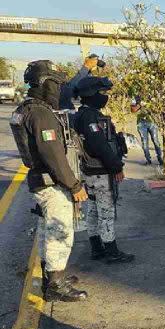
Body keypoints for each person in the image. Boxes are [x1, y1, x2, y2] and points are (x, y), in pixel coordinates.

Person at [9, 60, 88, 301]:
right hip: (52, 183)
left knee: (47, 229)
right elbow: (52, 154)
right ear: (44, 83)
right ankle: (56, 285)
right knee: (60, 231)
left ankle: (52, 276)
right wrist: (74, 185)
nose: (59, 89)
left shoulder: (29, 108)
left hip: (42, 181)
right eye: (56, 84)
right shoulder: (40, 113)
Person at [73, 76, 135, 264]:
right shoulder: (90, 116)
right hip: (100, 172)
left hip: (89, 172)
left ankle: (97, 248)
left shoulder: (79, 115)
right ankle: (111, 250)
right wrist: (117, 166)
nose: (104, 96)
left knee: (92, 209)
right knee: (106, 211)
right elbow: (99, 145)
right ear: (91, 94)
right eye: (101, 93)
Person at [131, 97, 164, 166]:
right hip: (141, 124)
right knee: (145, 142)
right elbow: (133, 110)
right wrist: (140, 105)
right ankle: (148, 160)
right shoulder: (135, 98)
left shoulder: (152, 95)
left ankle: (160, 159)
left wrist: (150, 105)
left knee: (156, 141)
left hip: (152, 122)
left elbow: (158, 109)